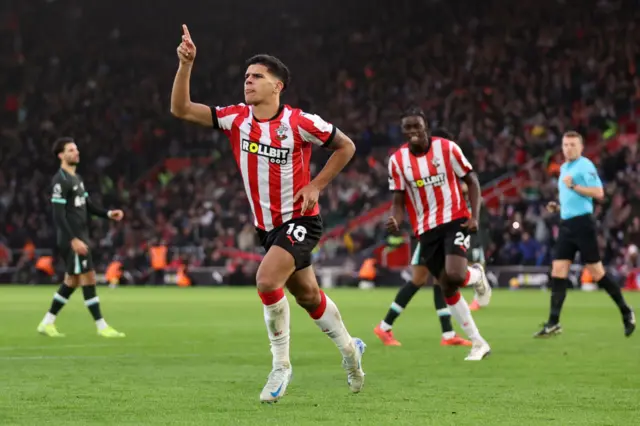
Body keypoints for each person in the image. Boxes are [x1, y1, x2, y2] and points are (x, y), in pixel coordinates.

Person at [170, 25, 365, 403]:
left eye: (258, 77)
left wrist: (317, 185)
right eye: (246, 77)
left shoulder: (300, 122)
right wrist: (185, 65)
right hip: (268, 229)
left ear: (278, 86)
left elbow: (345, 146)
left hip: (301, 221)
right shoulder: (235, 119)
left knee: (265, 280)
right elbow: (180, 109)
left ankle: (280, 365)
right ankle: (351, 352)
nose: (249, 82)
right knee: (308, 295)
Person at [376, 108, 492, 361]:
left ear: (426, 126)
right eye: (407, 128)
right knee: (447, 285)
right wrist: (396, 218)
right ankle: (477, 342)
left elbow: (472, 180)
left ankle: (478, 275)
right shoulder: (397, 161)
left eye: (416, 126)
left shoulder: (447, 149)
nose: (412, 132)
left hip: (455, 220)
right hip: (425, 230)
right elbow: (398, 198)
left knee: (455, 275)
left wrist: (474, 216)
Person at [534, 131, 635, 337]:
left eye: (572, 145)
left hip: (583, 225)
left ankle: (626, 312)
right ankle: (553, 322)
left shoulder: (585, 165)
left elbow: (599, 193)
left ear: (581, 148)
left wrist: (576, 186)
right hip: (566, 224)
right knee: (558, 271)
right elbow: (571, 198)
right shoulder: (564, 168)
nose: (568, 148)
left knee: (597, 273)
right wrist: (559, 207)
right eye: (565, 145)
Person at [37, 137, 126, 338]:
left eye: (76, 149)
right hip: (72, 238)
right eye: (70, 150)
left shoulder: (76, 179)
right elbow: (58, 215)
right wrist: (73, 240)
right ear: (61, 155)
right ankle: (102, 326)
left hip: (80, 236)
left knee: (72, 281)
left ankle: (47, 322)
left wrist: (108, 214)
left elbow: (89, 207)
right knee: (89, 278)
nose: (76, 152)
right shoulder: (60, 180)